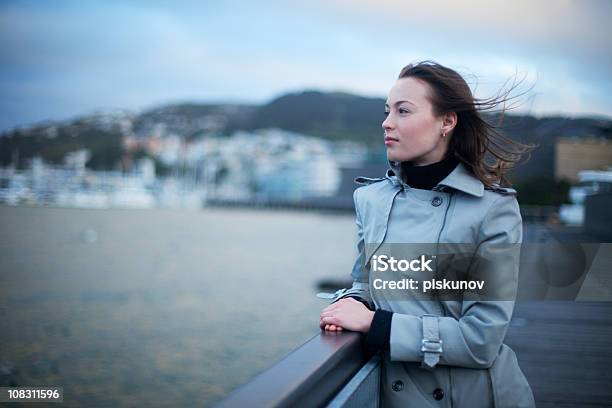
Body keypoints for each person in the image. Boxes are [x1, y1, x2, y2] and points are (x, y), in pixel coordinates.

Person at [319, 61, 535, 407]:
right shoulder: (371, 200)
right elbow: (367, 280)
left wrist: (377, 324)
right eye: (387, 111)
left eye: (403, 111)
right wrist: (352, 301)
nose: (387, 123)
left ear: (447, 122)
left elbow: (481, 339)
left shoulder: (492, 210)